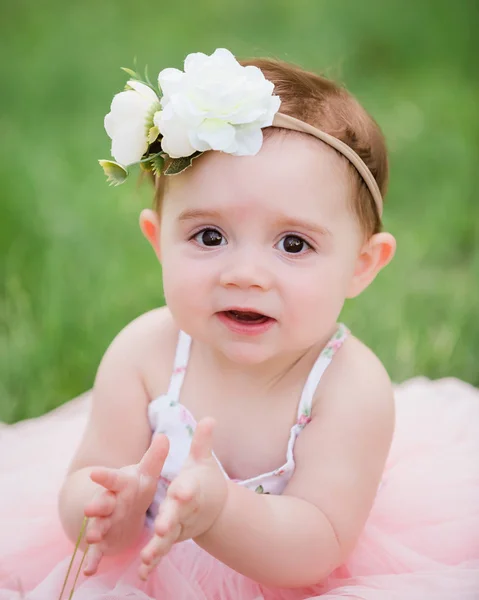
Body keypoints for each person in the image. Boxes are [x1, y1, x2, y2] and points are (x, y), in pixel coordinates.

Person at [0, 48, 478, 600]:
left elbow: (317, 546)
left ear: (361, 265)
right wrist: (105, 505)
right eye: (209, 237)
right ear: (159, 241)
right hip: (148, 568)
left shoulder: (349, 390)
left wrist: (222, 512)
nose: (246, 274)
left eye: (294, 243)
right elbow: (86, 482)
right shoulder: (145, 353)